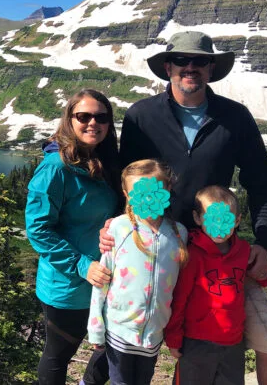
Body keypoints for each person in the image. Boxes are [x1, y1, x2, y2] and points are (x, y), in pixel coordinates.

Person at [101, 31, 267, 385]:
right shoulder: (142, 116)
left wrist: (265, 243)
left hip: (217, 251)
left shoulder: (235, 118)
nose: (190, 68)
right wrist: (112, 226)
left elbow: (263, 183)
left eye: (199, 61)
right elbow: (125, 182)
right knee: (128, 341)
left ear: (211, 67)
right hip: (155, 247)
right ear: (168, 66)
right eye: (182, 61)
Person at [26, 89, 121, 385]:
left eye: (101, 117)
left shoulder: (102, 162)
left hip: (104, 280)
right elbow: (38, 229)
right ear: (70, 120)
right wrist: (82, 265)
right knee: (58, 356)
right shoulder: (55, 168)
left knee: (112, 347)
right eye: (84, 116)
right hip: (67, 286)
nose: (93, 123)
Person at [84, 159, 188, 385]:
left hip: (153, 335)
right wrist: (95, 327)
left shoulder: (179, 233)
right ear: (126, 194)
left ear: (167, 190)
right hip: (119, 328)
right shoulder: (118, 228)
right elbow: (102, 280)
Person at [165, 186, 267, 385]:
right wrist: (174, 337)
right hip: (196, 341)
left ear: (237, 220)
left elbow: (250, 269)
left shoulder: (243, 250)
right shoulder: (193, 255)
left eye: (225, 221)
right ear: (198, 218)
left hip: (233, 342)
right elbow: (180, 299)